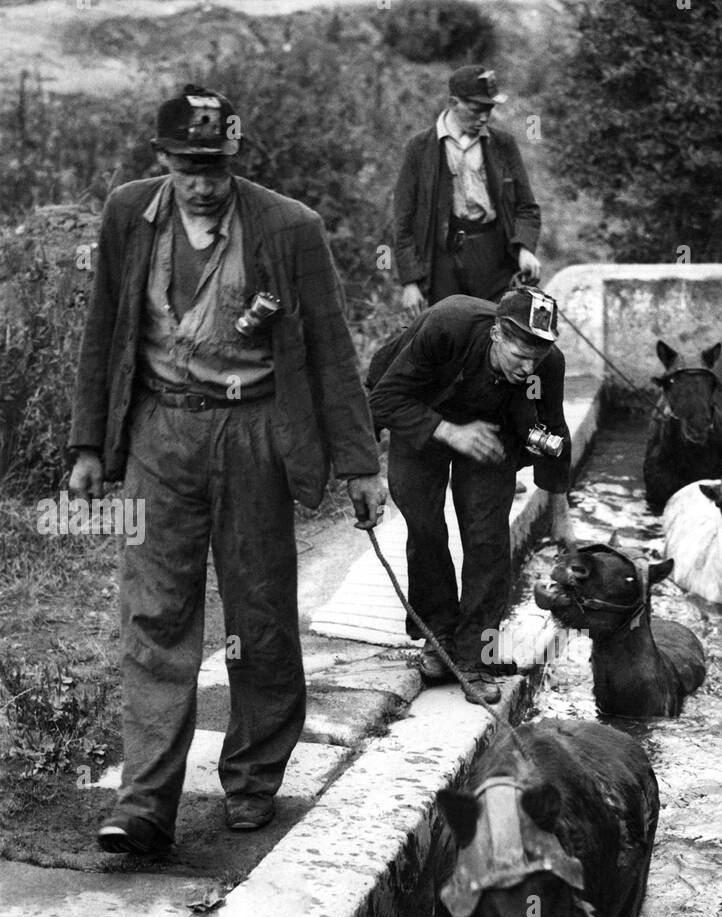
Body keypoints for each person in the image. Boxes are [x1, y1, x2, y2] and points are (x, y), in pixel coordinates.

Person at [67, 85, 386, 855]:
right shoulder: (129, 215)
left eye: (214, 167)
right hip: (158, 435)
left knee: (261, 617)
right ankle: (144, 806)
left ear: (234, 161)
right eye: (187, 166)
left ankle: (252, 779)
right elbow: (106, 329)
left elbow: (332, 351)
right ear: (164, 160)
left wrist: (360, 465)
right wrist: (86, 446)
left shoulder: (289, 228)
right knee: (154, 615)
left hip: (253, 437)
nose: (202, 182)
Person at [368, 286, 574, 705]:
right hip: (421, 414)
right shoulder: (449, 324)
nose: (528, 366)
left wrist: (560, 511)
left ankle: (475, 655)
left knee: (488, 539)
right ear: (498, 333)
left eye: (537, 356)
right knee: (425, 529)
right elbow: (384, 397)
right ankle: (438, 636)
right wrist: (449, 432)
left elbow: (554, 430)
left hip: (490, 432)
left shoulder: (546, 366)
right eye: (520, 354)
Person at [393, 65, 542, 315]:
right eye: (476, 110)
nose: (484, 118)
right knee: (449, 336)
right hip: (443, 263)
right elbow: (402, 221)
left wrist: (525, 248)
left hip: (494, 259)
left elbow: (527, 207)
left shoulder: (503, 145)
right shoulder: (419, 148)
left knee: (495, 333)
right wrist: (409, 281)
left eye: (489, 110)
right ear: (453, 102)